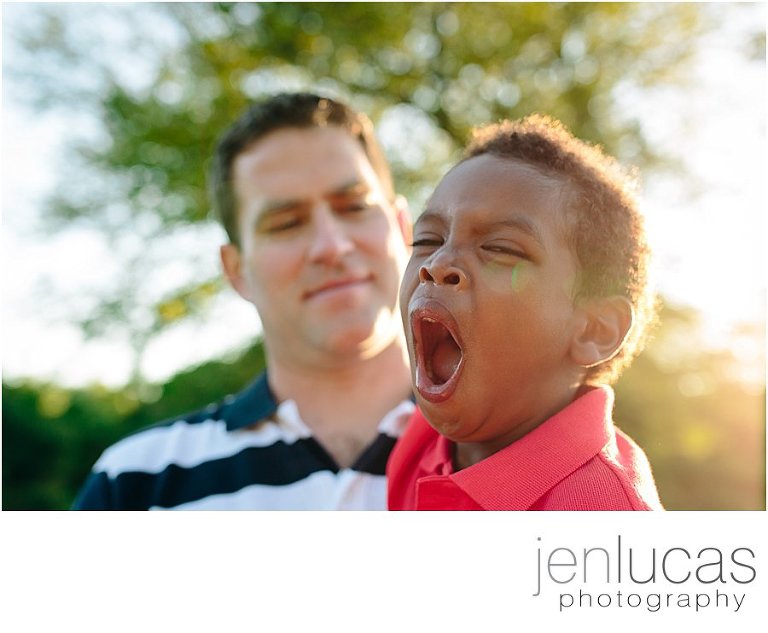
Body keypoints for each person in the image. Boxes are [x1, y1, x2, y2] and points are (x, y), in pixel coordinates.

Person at [74, 92, 415, 510]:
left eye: (355, 207)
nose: (332, 245)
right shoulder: (134, 482)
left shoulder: (512, 443)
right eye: (287, 223)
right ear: (236, 270)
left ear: (403, 228)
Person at [387, 114, 663, 511]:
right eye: (428, 239)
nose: (439, 262)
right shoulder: (419, 444)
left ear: (595, 330)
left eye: (500, 249)